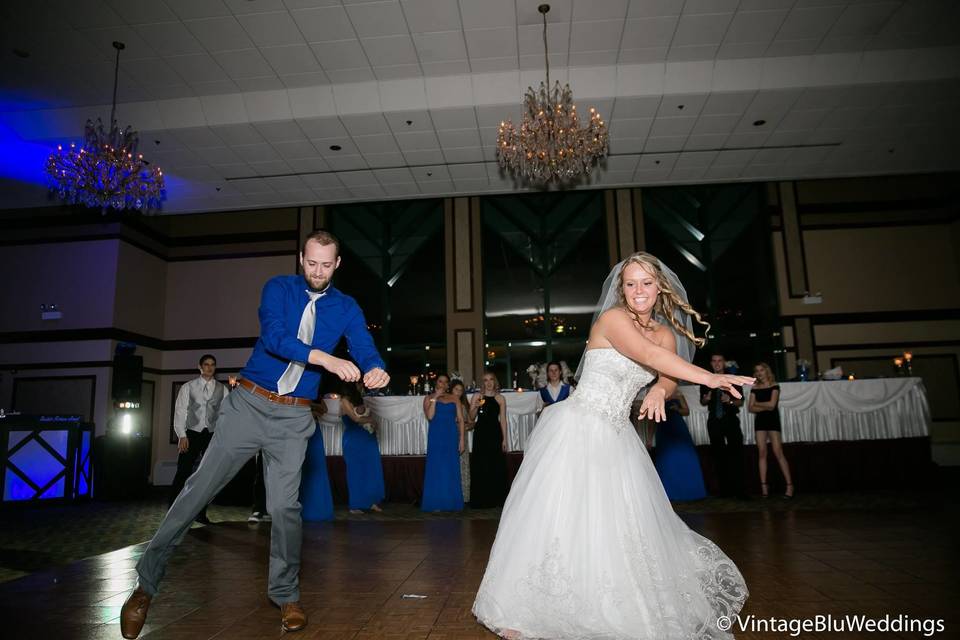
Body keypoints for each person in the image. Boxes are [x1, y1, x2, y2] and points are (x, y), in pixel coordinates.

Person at [121, 230, 389, 639]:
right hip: (248, 406)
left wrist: (374, 367)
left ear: (338, 265)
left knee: (285, 509)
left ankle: (286, 595)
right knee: (196, 492)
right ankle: (145, 586)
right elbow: (276, 338)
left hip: (294, 419)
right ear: (302, 258)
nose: (317, 272)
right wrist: (325, 359)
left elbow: (364, 346)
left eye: (326, 265)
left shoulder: (347, 307)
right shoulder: (278, 288)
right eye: (311, 263)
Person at [472, 252, 752, 639]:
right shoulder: (612, 320)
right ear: (621, 288)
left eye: (646, 283)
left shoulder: (665, 333)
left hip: (618, 437)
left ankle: (610, 603)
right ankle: (528, 609)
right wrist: (710, 378)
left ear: (659, 288)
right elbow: (650, 356)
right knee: (560, 520)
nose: (638, 290)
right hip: (578, 427)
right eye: (631, 283)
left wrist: (660, 387)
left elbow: (666, 369)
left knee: (616, 525)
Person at [169, 354, 229, 525]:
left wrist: (221, 437)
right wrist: (182, 435)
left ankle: (200, 513)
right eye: (206, 364)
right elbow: (180, 412)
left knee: (207, 475)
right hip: (192, 434)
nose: (209, 367)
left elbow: (224, 415)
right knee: (183, 472)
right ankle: (173, 511)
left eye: (212, 365)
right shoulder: (188, 387)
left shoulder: (222, 389)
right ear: (199, 366)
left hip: (211, 435)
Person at [700, 353, 747, 498]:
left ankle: (740, 491)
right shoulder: (706, 380)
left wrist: (730, 400)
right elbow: (702, 401)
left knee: (737, 454)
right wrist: (706, 399)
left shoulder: (733, 380)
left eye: (720, 361)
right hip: (714, 420)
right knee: (718, 456)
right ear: (711, 363)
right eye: (714, 361)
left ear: (724, 363)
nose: (717, 364)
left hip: (731, 419)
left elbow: (741, 402)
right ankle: (724, 492)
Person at [749, 362, 794, 499]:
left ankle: (789, 486)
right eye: (757, 370)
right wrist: (764, 406)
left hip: (773, 420)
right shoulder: (754, 388)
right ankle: (764, 487)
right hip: (760, 422)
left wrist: (758, 404)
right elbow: (750, 408)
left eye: (761, 370)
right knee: (762, 453)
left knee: (778, 452)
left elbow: (772, 405)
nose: (759, 373)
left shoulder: (775, 386)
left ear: (767, 371)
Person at [653, 389, 707, 501]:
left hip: (678, 426)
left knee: (685, 456)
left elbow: (686, 411)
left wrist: (677, 409)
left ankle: (690, 491)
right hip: (663, 427)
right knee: (666, 458)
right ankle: (669, 492)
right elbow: (652, 416)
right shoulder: (656, 393)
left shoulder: (678, 394)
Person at [340, 380, 385, 513]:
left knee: (372, 469)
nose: (361, 386)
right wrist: (371, 420)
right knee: (356, 471)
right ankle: (356, 505)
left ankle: (371, 501)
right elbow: (355, 419)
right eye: (359, 384)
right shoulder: (344, 400)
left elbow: (363, 416)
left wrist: (372, 424)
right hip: (354, 440)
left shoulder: (360, 400)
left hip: (367, 439)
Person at [421, 381, 464, 512]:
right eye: (440, 381)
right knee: (436, 467)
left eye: (445, 382)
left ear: (447, 385)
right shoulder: (428, 398)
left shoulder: (454, 398)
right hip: (436, 437)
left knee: (450, 467)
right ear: (436, 384)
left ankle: (451, 502)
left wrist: (462, 439)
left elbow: (461, 419)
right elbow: (430, 416)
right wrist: (435, 397)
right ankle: (436, 502)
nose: (443, 384)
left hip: (451, 435)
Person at [469, 371, 509, 508]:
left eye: (491, 379)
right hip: (481, 433)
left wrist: (504, 439)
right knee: (481, 464)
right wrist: (475, 406)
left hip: (495, 433)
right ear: (483, 383)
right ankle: (481, 500)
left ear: (495, 381)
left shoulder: (500, 399)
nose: (489, 382)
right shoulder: (477, 396)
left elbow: (503, 419)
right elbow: (471, 417)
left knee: (495, 464)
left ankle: (497, 499)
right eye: (486, 380)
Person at [300, 398, 334, 522]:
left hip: (314, 429)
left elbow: (324, 409)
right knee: (303, 468)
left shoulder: (315, 394)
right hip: (300, 429)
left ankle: (318, 508)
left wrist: (311, 406)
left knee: (317, 468)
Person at [450, 379, 472, 504]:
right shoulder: (447, 404)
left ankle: (464, 496)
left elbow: (471, 421)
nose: (458, 392)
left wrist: (467, 426)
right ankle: (452, 494)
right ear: (451, 389)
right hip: (450, 437)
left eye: (460, 390)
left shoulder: (463, 405)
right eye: (456, 389)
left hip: (462, 438)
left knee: (463, 466)